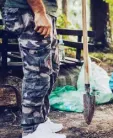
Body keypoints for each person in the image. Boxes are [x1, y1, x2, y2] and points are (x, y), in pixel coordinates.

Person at [2, 0, 64, 137]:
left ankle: (40, 119)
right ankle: (32, 128)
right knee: (38, 70)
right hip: (29, 10)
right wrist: (39, 12)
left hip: (43, 11)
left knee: (51, 68)